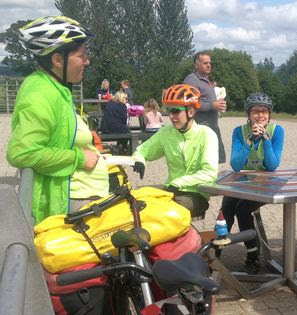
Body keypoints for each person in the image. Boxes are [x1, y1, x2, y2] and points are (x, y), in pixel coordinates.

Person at [6, 15, 107, 222]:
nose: (87, 61)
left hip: (77, 198)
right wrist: (79, 158)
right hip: (67, 205)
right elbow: (22, 153)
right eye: (82, 55)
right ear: (58, 60)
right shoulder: (40, 93)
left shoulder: (56, 88)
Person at [132, 84, 218, 217]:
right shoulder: (167, 132)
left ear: (190, 111)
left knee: (167, 213)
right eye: (169, 110)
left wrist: (179, 182)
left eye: (176, 111)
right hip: (170, 191)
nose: (171, 116)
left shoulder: (206, 134)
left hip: (196, 194)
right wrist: (139, 160)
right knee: (138, 208)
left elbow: (209, 173)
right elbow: (143, 150)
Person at [221, 92, 284, 274]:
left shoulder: (276, 131)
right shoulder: (239, 132)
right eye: (255, 112)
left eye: (264, 111)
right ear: (248, 114)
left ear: (269, 114)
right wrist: (248, 141)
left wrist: (265, 140)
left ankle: (253, 256)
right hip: (242, 180)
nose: (260, 116)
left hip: (266, 181)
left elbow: (272, 165)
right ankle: (215, 252)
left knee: (242, 208)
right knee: (226, 209)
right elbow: (236, 165)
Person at [184, 52, 227, 163]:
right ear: (196, 65)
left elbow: (204, 99)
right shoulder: (191, 80)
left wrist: (218, 104)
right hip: (200, 128)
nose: (209, 65)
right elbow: (190, 103)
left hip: (211, 127)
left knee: (214, 161)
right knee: (203, 162)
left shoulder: (205, 79)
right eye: (205, 63)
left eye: (210, 63)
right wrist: (212, 105)